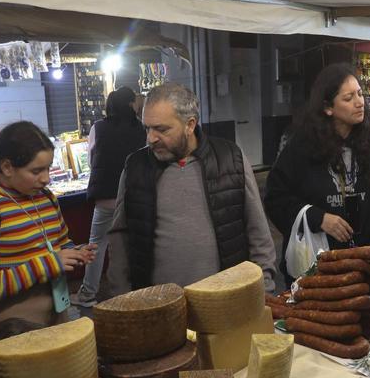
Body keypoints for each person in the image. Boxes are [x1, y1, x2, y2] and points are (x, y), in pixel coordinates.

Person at [101, 83, 278, 297]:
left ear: (190, 125)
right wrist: (123, 297)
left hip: (226, 302)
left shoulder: (230, 158)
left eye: (161, 129)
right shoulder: (136, 167)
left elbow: (258, 232)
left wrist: (264, 289)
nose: (150, 138)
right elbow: (120, 238)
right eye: (147, 128)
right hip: (157, 308)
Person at [264, 63, 370, 281]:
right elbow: (275, 199)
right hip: (321, 267)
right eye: (348, 98)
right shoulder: (300, 148)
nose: (359, 103)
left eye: (360, 94)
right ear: (328, 108)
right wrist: (318, 218)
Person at [0, 122, 95, 341]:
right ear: (7, 167)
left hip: (57, 316)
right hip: (11, 330)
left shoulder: (46, 198)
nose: (46, 178)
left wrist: (75, 252)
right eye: (36, 171)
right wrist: (48, 264)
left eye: (47, 168)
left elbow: (60, 242)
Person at [76, 87, 146, 308]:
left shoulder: (99, 127)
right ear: (129, 105)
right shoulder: (142, 129)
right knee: (131, 244)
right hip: (134, 196)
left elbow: (91, 159)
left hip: (106, 197)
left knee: (97, 246)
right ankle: (134, 291)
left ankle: (88, 294)